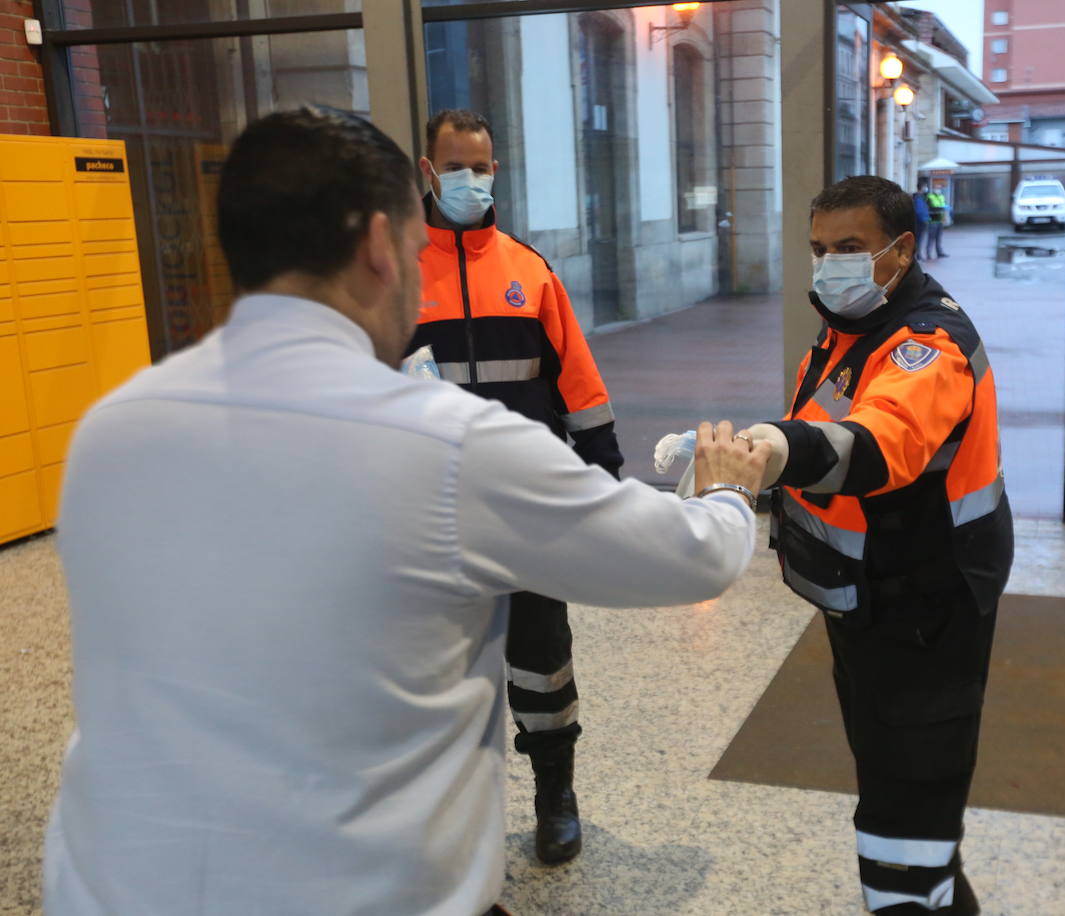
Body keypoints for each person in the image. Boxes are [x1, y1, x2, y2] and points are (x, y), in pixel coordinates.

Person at [43, 106, 770, 916]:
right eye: (418, 254)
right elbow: (695, 556)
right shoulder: (451, 447)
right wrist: (728, 485)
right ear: (380, 247)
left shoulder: (109, 430)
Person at [742, 176, 1012, 914]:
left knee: (905, 815)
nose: (830, 265)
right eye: (820, 249)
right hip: (868, 602)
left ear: (900, 250)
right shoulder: (844, 335)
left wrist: (770, 449)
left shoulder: (929, 344)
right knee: (893, 773)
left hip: (926, 607)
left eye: (851, 249)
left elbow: (876, 445)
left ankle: (909, 897)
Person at [408, 108, 618, 865]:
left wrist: (603, 475)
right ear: (428, 173)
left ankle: (554, 793)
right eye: (456, 166)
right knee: (435, 668)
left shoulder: (529, 272)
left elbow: (581, 385)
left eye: (482, 166)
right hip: (428, 513)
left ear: (497, 170)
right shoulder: (398, 275)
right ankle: (448, 812)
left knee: (540, 656)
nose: (471, 179)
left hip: (523, 509)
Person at [924, 179, 949, 259]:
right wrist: (940, 208)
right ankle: (928, 253)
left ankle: (939, 252)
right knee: (931, 238)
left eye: (939, 188)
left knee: (939, 238)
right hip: (932, 220)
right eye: (937, 188)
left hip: (940, 220)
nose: (938, 189)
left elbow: (943, 206)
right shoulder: (930, 197)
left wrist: (944, 215)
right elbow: (930, 207)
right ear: (933, 188)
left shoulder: (941, 196)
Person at [912, 180, 931, 262]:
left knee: (919, 239)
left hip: (922, 220)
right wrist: (924, 219)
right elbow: (919, 211)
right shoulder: (918, 198)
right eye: (925, 186)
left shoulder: (921, 197)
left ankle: (918, 255)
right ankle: (917, 255)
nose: (926, 188)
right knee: (918, 239)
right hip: (920, 221)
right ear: (921, 187)